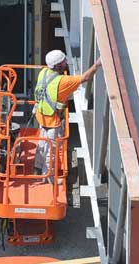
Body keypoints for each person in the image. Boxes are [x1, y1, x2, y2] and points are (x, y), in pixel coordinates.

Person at [33, 50, 101, 179]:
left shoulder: (43, 73)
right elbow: (85, 77)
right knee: (51, 151)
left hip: (41, 117)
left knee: (42, 145)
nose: (65, 63)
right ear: (58, 66)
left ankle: (36, 168)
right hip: (52, 121)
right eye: (63, 62)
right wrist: (97, 64)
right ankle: (49, 177)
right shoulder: (63, 81)